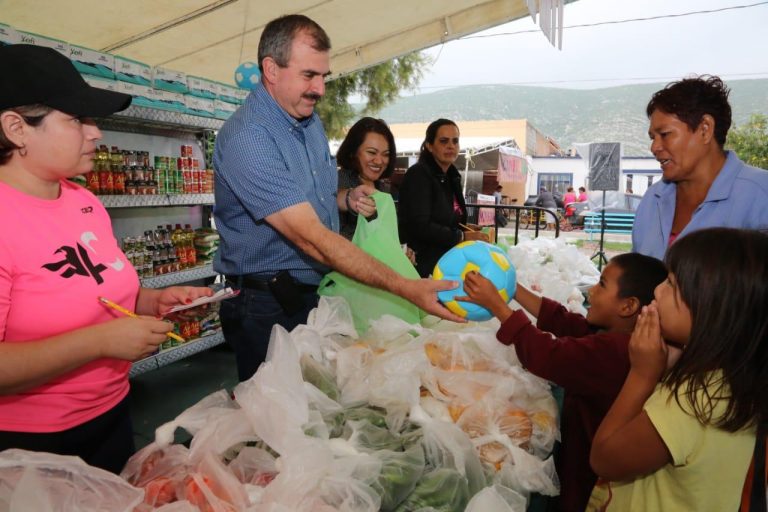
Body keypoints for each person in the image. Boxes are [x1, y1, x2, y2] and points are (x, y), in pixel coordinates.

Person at [0, 44, 213, 474]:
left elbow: (103, 295)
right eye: (77, 119)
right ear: (17, 128)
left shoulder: (85, 202)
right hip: (31, 448)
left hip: (112, 416)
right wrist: (102, 342)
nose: (96, 133)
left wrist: (154, 301)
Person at [212, 15, 461, 381]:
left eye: (323, 77)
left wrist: (345, 199)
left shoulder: (307, 121)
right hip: (266, 305)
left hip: (310, 294)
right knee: (274, 422)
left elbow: (315, 195)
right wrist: (405, 286)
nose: (320, 90)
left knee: (317, 408)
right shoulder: (248, 138)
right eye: (308, 75)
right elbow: (310, 236)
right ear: (271, 69)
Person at [460, 253, 668, 512]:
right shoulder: (621, 335)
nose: (591, 291)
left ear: (628, 306)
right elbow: (568, 323)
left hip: (589, 474)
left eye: (602, 284)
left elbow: (548, 355)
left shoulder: (617, 351)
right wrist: (511, 289)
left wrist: (499, 308)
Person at [589, 228, 768, 511]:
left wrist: (642, 374)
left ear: (713, 309)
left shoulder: (695, 401)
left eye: (671, 283)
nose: (658, 290)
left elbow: (605, 459)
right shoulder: (737, 376)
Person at [632, 75, 768, 260]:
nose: (654, 147)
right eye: (652, 137)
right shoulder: (652, 200)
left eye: (664, 134)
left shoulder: (760, 195)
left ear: (705, 129)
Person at [397, 118, 489, 278]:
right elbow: (420, 225)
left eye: (455, 141)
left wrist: (466, 228)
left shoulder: (452, 176)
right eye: (443, 141)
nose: (451, 146)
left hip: (447, 262)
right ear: (429, 145)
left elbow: (444, 218)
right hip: (422, 266)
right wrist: (461, 236)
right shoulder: (418, 174)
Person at [335, 117, 395, 240]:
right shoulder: (338, 183)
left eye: (386, 154)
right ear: (353, 152)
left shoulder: (383, 187)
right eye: (372, 152)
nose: (379, 161)